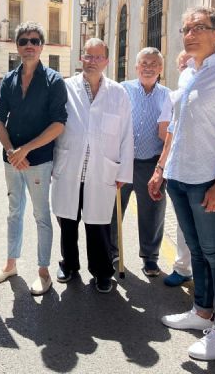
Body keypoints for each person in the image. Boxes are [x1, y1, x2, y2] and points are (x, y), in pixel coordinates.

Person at [148, 6, 215, 361]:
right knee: (196, 250)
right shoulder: (187, 73)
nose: (189, 34)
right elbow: (175, 127)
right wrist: (161, 168)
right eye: (185, 28)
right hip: (179, 176)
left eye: (197, 28)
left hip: (207, 179)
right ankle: (202, 311)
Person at [0, 21, 68, 296]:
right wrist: (12, 151)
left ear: (42, 46)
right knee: (13, 212)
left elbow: (59, 124)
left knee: (41, 215)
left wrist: (27, 150)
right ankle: (11, 264)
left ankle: (43, 273)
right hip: (11, 159)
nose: (29, 45)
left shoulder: (54, 81)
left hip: (39, 160)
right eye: (23, 41)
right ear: (17, 46)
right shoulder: (9, 80)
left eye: (34, 40)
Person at [52, 38, 133, 293]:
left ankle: (102, 271)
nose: (92, 61)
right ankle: (69, 264)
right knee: (68, 220)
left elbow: (126, 134)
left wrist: (123, 171)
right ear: (81, 58)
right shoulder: (65, 88)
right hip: (70, 165)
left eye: (98, 57)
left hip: (102, 169)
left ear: (106, 61)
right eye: (88, 56)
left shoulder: (118, 93)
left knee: (99, 224)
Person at [111, 47, 171, 277]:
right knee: (114, 209)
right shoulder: (122, 90)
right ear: (136, 67)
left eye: (153, 64)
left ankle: (150, 258)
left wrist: (162, 167)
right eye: (144, 63)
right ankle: (112, 252)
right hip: (123, 161)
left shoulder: (167, 95)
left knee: (152, 212)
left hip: (152, 163)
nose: (148, 67)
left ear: (160, 69)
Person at [163, 50, 193, 287]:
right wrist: (160, 168)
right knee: (183, 223)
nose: (185, 66)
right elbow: (169, 133)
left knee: (208, 230)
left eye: (189, 61)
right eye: (181, 63)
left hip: (206, 172)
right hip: (178, 170)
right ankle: (183, 267)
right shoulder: (177, 95)